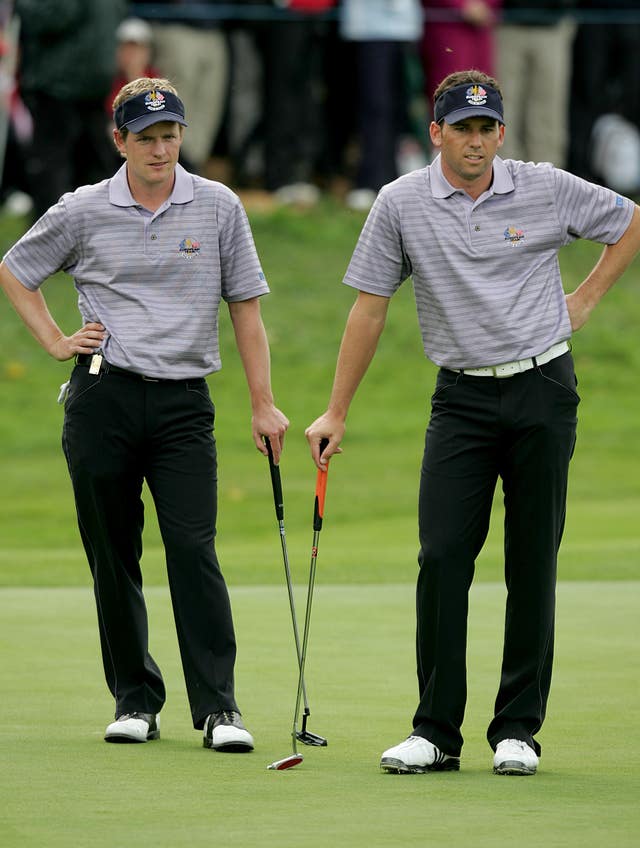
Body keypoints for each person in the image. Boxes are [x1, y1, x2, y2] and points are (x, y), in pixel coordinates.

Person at [305, 69, 640, 776]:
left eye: (488, 129)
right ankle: (435, 731)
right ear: (437, 133)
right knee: (442, 558)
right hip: (459, 398)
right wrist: (337, 409)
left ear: (502, 133)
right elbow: (370, 307)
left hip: (543, 387)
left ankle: (518, 729)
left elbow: (628, 220)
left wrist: (583, 298)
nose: (477, 142)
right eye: (463, 129)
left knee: (531, 560)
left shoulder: (543, 185)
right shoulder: (400, 203)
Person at [0, 77, 289, 751]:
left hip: (185, 402)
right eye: (147, 138)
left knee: (193, 549)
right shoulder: (83, 209)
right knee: (113, 552)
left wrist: (263, 403)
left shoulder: (217, 205)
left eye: (171, 136)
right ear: (119, 140)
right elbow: (17, 269)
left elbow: (245, 309)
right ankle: (135, 698)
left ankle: (220, 708)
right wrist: (53, 341)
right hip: (103, 396)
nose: (161, 150)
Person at [15, 0, 126, 220]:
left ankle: (52, 238)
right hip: (94, 81)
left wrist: (23, 4)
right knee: (92, 168)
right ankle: (94, 234)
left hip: (61, 82)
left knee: (53, 170)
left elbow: (53, 15)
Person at [497, 0, 577, 167]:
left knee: (548, 108)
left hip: (552, 24)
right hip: (507, 23)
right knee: (503, 104)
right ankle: (502, 174)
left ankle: (547, 176)